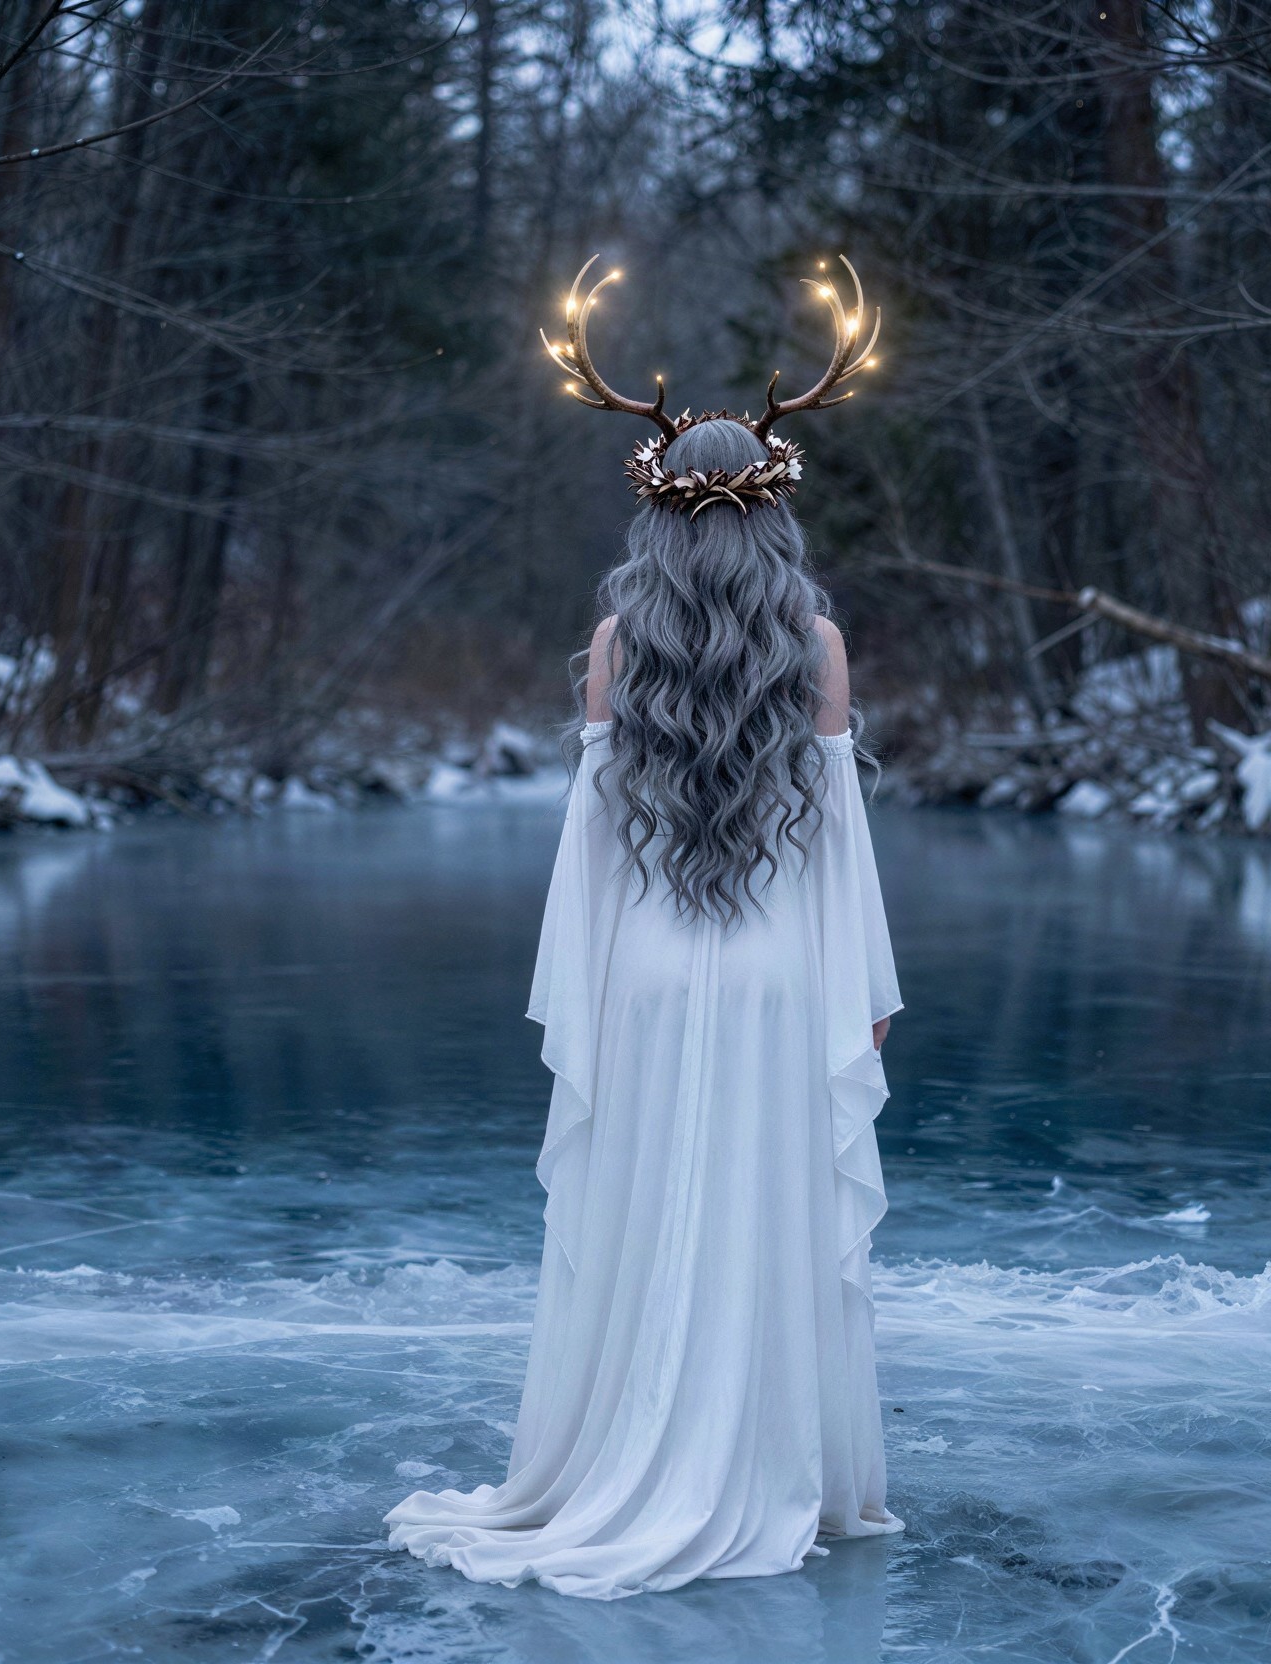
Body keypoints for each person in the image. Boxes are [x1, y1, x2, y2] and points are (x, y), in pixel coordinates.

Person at [386, 259, 901, 1599]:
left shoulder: (620, 641)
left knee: (655, 1219)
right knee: (770, 1222)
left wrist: (583, 996)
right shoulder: (819, 641)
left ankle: (631, 1454)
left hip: (657, 974)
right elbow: (841, 845)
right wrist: (866, 997)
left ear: (659, 518)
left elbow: (593, 848)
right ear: (776, 514)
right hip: (788, 977)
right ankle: (779, 1469)